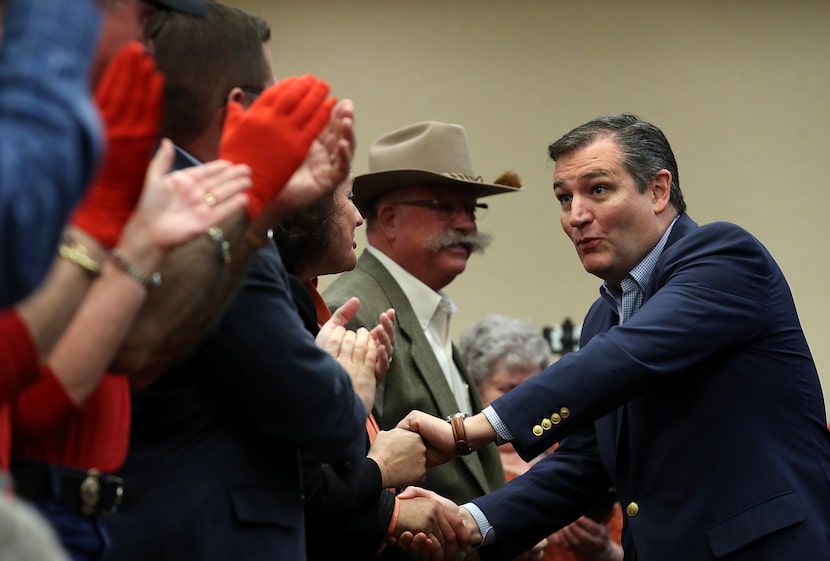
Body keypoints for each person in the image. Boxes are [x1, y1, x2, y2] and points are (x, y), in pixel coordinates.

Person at [396, 114, 830, 561]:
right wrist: (469, 523)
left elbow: (628, 356)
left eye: (598, 189)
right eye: (565, 198)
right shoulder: (603, 318)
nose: (576, 216)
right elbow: (583, 464)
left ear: (659, 190)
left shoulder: (724, 256)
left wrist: (468, 431)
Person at [105, 4, 384, 560]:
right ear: (239, 109)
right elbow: (317, 415)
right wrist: (348, 385)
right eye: (272, 100)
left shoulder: (124, 196)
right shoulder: (216, 221)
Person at [323, 120, 519, 508]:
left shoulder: (426, 308)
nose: (466, 223)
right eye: (443, 206)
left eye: (470, 208)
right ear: (391, 218)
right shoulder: (354, 311)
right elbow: (348, 471)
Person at [274, 174, 467, 561]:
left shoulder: (302, 303)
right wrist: (390, 506)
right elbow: (297, 484)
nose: (359, 217)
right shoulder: (301, 305)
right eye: (348, 198)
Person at [459, 314, 623, 561]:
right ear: (474, 389)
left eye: (532, 389)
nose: (523, 404)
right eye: (508, 390)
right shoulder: (463, 466)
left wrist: (603, 550)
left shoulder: (576, 453)